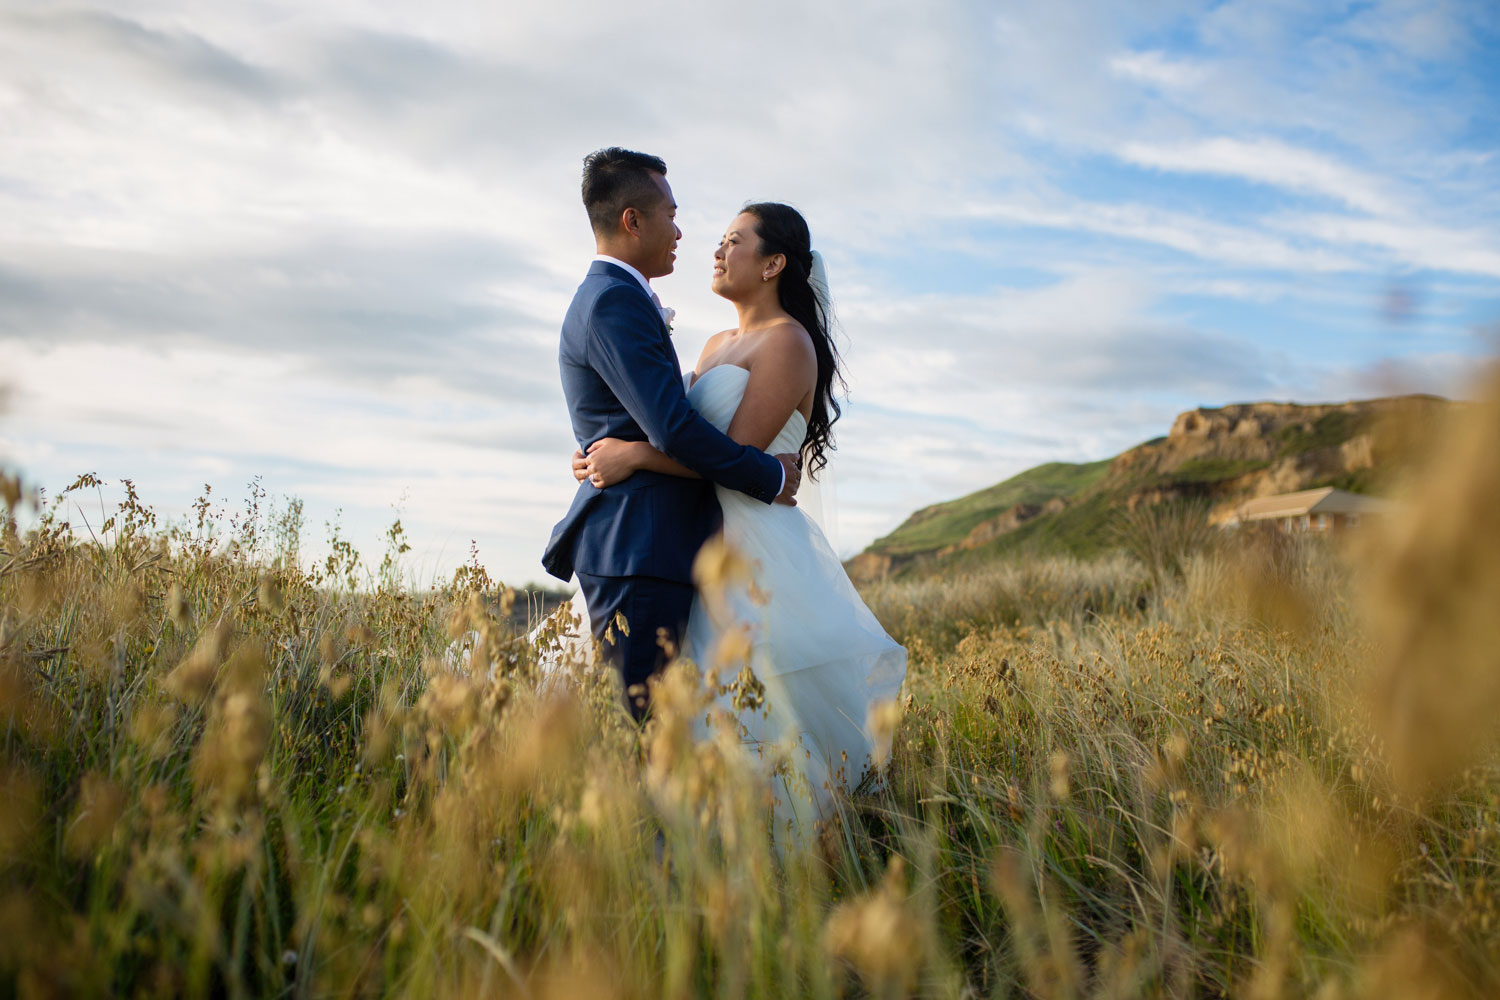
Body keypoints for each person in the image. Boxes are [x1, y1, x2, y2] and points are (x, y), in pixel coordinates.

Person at [574, 202, 908, 836]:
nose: (717, 250)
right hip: (691, 538)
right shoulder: (715, 343)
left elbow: (735, 459)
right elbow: (679, 435)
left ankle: (762, 852)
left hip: (753, 546)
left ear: (774, 263)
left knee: (744, 704)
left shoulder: (788, 342)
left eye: (734, 241)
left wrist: (630, 458)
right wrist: (607, 453)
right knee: (674, 700)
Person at [541, 149, 803, 723]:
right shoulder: (614, 301)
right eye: (671, 214)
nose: (683, 231)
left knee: (644, 723)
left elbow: (646, 420)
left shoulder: (621, 298)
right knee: (635, 726)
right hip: (639, 545)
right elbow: (674, 428)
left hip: (662, 544)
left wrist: (623, 449)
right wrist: (771, 474)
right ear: (633, 220)